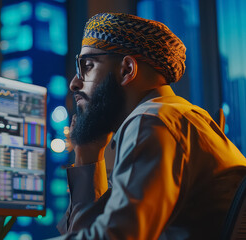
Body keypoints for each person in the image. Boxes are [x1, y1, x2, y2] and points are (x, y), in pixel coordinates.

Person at [55, 13, 246, 239]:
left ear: (127, 69)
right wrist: (87, 157)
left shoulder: (152, 120)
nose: (74, 83)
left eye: (87, 66)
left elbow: (116, 237)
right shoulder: (175, 117)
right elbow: (91, 232)